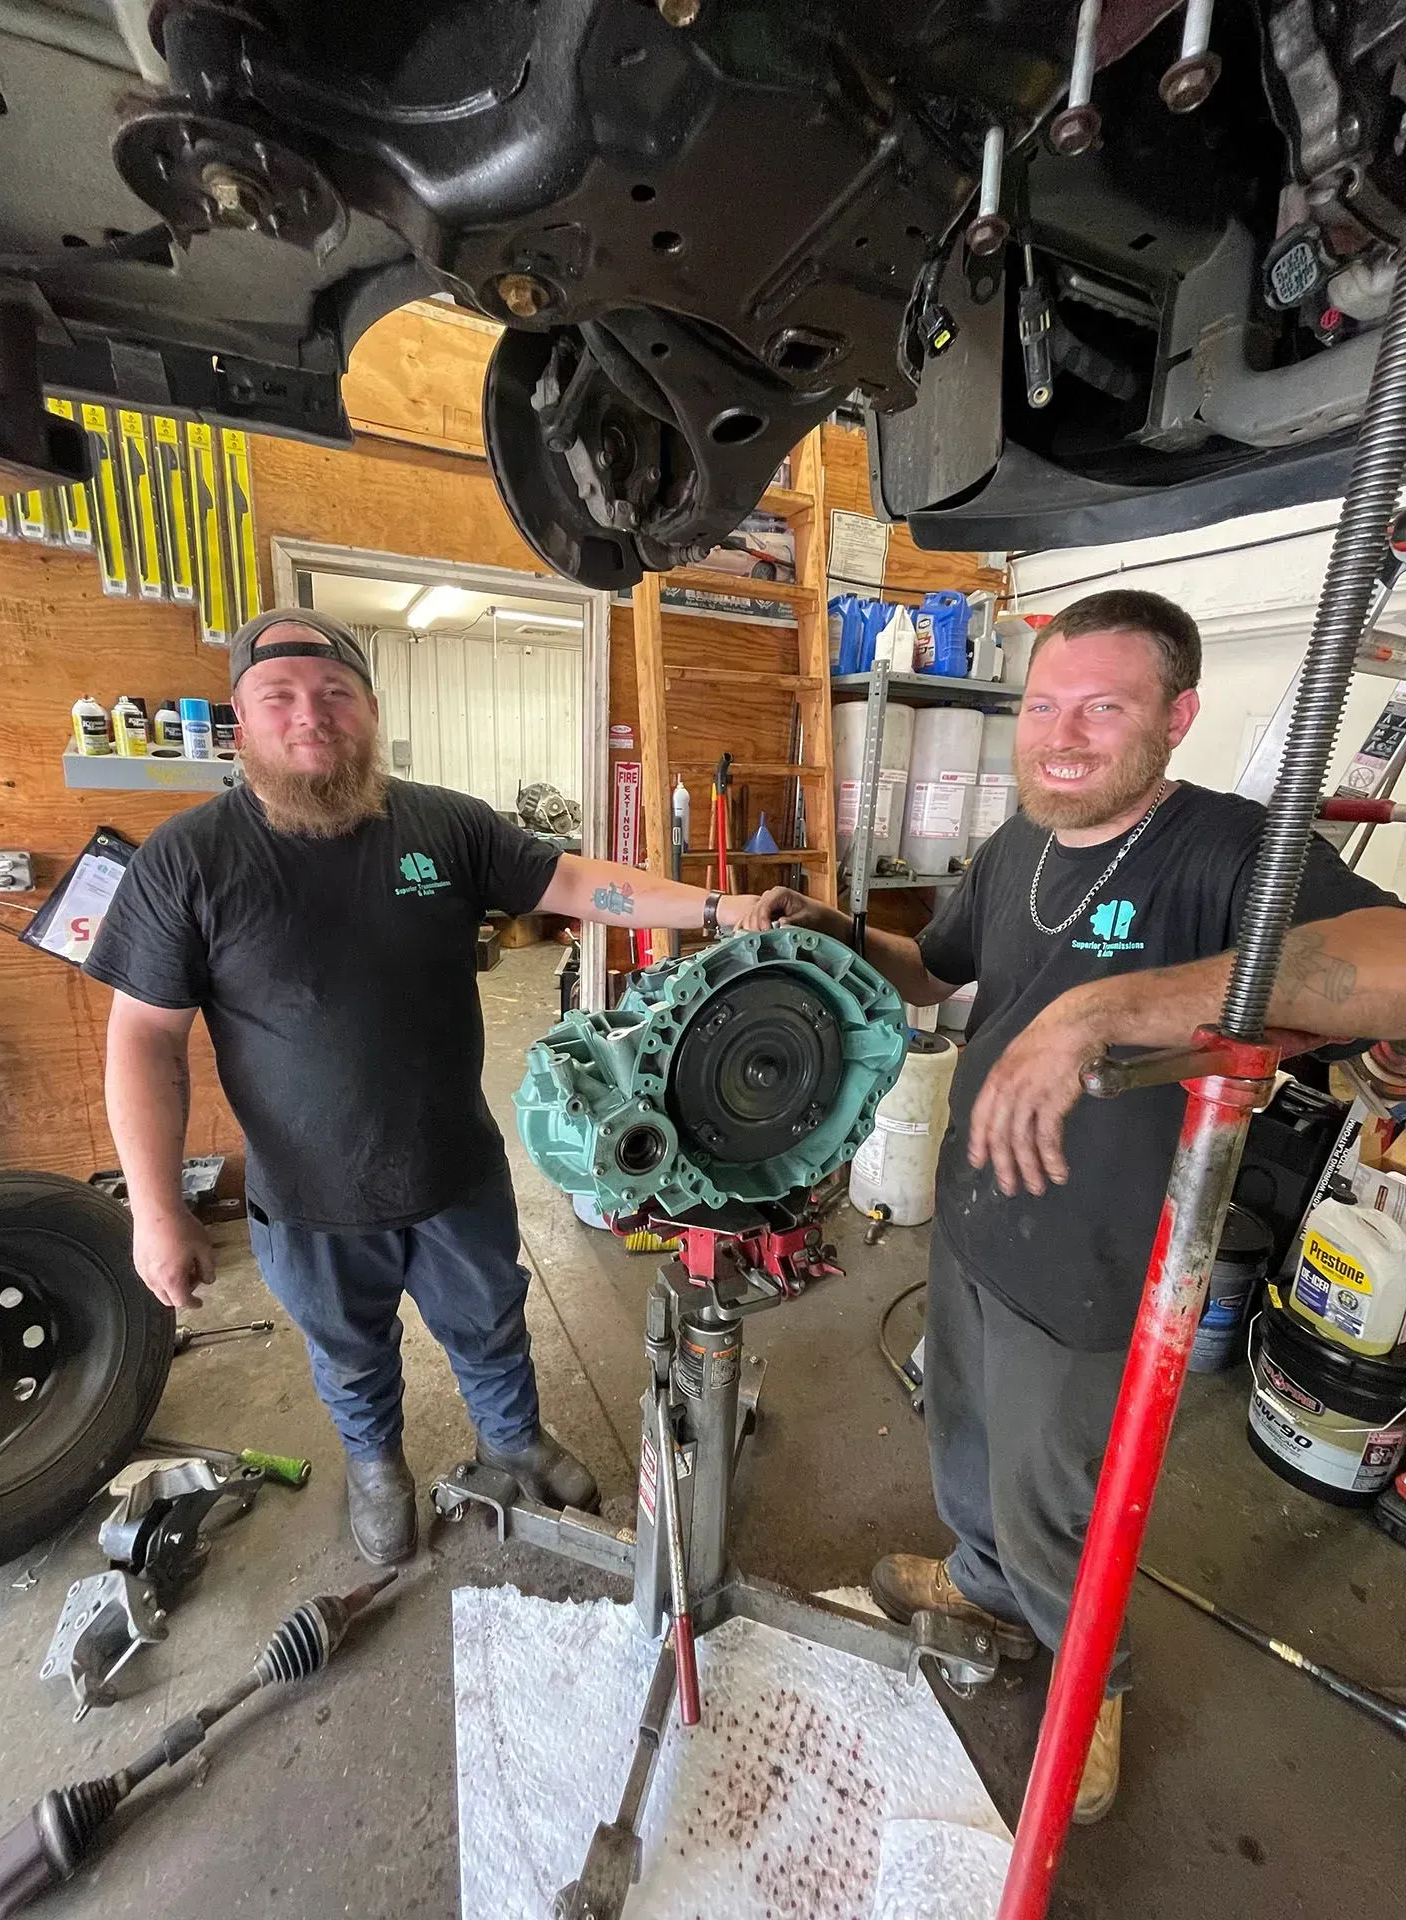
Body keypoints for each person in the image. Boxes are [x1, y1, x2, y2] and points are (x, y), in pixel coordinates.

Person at [740, 589, 1406, 1823]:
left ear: (1177, 718)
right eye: (1044, 705)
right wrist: (836, 930)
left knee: (1058, 1499)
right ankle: (982, 1583)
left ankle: (1092, 1678)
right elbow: (937, 975)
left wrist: (1100, 1010)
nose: (1061, 734)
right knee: (967, 1446)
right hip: (978, 1222)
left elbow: (1395, 965)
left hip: (1098, 1264)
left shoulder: (1227, 852)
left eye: (1104, 707)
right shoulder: (1015, 845)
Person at [86, 610, 761, 1566]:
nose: (310, 717)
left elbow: (575, 883)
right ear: (241, 727)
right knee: (350, 1356)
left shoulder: (443, 824)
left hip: (456, 1172)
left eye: (334, 695)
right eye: (279, 699)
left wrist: (716, 906)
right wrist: (154, 1211)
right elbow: (145, 1042)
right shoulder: (187, 861)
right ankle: (376, 1468)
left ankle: (513, 1438)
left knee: (490, 1323)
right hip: (308, 1202)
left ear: (369, 710)